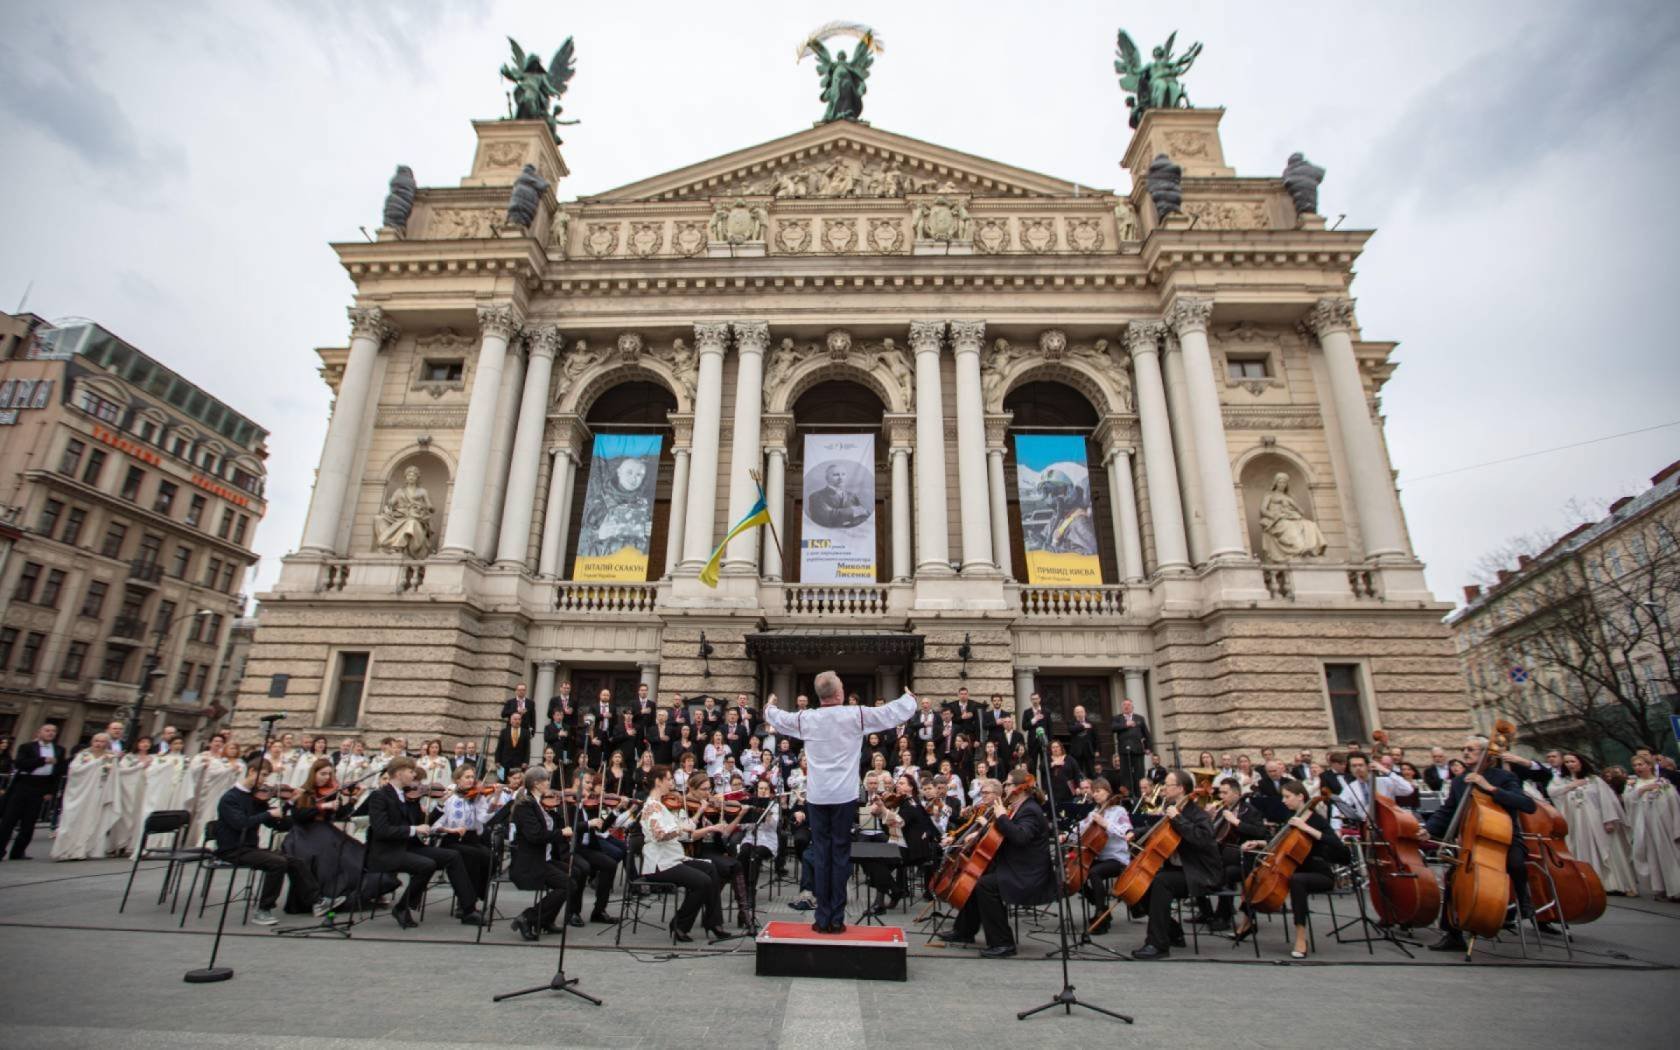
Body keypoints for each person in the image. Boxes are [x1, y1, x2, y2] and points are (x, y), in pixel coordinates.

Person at [764, 673, 916, 934]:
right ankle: (836, 918)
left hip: (817, 797)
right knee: (841, 855)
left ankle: (822, 918)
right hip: (843, 797)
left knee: (822, 855)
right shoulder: (854, 715)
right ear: (838, 694)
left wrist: (769, 705)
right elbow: (890, 714)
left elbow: (778, 718)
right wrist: (909, 699)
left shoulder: (807, 718)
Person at [1420, 736, 1538, 952]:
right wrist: (1429, 829)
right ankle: (1453, 934)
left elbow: (1527, 805)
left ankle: (1523, 898)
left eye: (1471, 749)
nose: (1465, 752)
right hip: (1472, 842)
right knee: (1453, 877)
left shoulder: (1504, 777)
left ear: (1487, 755)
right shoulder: (1459, 781)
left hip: (1505, 838)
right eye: (1463, 748)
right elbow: (1448, 810)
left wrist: (1490, 788)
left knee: (1514, 862)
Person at [942, 770, 1056, 958]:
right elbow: (1004, 833)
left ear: (1019, 788)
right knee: (976, 878)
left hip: (1027, 873)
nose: (1005, 788)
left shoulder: (1030, 810)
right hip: (1014, 865)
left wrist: (1002, 816)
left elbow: (1020, 837)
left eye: (1008, 784)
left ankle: (1003, 943)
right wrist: (982, 831)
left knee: (985, 886)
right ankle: (964, 931)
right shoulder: (1018, 807)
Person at [1232, 779, 1349, 959]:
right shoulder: (1291, 817)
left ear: (1300, 796)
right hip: (1294, 868)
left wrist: (1306, 828)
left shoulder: (1316, 820)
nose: (1283, 800)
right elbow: (1280, 842)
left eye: (1287, 797)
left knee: (1296, 881)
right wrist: (1258, 842)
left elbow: (1338, 846)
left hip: (1319, 873)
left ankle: (1301, 937)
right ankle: (1247, 922)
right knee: (1256, 875)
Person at [364, 757, 482, 929]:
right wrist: (413, 829)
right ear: (399, 773)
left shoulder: (409, 797)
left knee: (453, 856)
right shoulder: (380, 796)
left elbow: (424, 823)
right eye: (411, 771)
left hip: (409, 847)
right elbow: (382, 830)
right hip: (388, 851)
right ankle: (402, 908)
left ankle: (468, 909)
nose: (414, 775)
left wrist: (440, 805)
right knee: (427, 865)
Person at [212, 760, 326, 924]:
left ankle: (317, 901)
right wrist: (269, 814)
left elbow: (276, 824)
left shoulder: (256, 798)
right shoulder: (230, 798)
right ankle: (263, 910)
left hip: (250, 848)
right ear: (252, 771)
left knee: (295, 861)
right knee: (277, 862)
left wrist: (292, 805)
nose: (265, 781)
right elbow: (241, 824)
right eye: (263, 775)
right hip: (231, 849)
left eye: (267, 776)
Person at [1131, 770, 1222, 960]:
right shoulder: (1173, 808)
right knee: (1142, 885)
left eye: (1168, 784)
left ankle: (1157, 945)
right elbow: (1156, 827)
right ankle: (1173, 932)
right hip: (1179, 870)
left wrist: (1178, 818)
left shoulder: (1197, 813)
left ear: (1180, 788)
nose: (1164, 788)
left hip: (1199, 873)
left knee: (1161, 882)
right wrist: (1135, 833)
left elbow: (1202, 838)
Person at [638, 765, 733, 942]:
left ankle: (714, 923)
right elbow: (659, 835)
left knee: (711, 869)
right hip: (659, 864)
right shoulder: (651, 807)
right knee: (702, 882)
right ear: (658, 782)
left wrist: (704, 825)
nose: (672, 783)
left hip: (673, 859)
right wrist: (680, 827)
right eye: (669, 779)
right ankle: (679, 925)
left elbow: (683, 834)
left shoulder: (661, 805)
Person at [1546, 752, 1638, 896]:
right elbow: (1552, 792)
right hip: (1576, 823)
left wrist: (1609, 820)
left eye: (1572, 761)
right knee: (1582, 848)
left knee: (1606, 849)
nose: (1570, 765)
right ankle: (1590, 882)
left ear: (1580, 762)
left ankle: (1614, 883)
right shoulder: (1561, 781)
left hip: (1596, 820)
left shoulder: (1594, 780)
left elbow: (1606, 800)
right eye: (1567, 762)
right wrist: (1570, 786)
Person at [506, 766, 576, 940]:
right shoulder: (525, 805)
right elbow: (535, 835)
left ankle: (545, 920)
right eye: (546, 780)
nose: (548, 784)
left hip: (543, 858)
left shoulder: (537, 803)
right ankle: (527, 917)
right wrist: (561, 833)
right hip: (530, 862)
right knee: (566, 884)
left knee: (573, 877)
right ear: (537, 784)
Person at [1073, 777, 1134, 933]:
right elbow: (1079, 829)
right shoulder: (1094, 812)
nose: (1095, 794)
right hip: (1098, 857)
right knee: (1076, 872)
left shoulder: (1119, 811)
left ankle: (1101, 915)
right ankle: (1102, 906)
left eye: (1098, 791)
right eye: (1093, 792)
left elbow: (1126, 832)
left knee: (1094, 872)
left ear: (1107, 791)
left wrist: (1105, 824)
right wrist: (1067, 835)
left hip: (1117, 858)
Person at [0, 724, 67, 860]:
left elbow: (58, 772)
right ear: (39, 732)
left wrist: (50, 791)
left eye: (53, 731)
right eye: (47, 730)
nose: (50, 733)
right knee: (9, 819)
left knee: (29, 822)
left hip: (41, 786)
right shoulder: (27, 747)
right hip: (23, 784)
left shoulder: (59, 750)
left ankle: (18, 852)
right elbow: (20, 763)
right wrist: (43, 760)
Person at [50, 733, 120, 861]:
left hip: (98, 793)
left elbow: (113, 776)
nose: (99, 744)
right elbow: (74, 770)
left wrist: (109, 793)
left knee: (91, 820)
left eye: (102, 741)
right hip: (80, 793)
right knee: (72, 820)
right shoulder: (83, 755)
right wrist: (97, 762)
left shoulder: (111, 757)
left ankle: (82, 850)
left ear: (107, 744)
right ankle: (64, 850)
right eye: (96, 741)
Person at [1623, 754, 1680, 901]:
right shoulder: (1632, 784)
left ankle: (1674, 888)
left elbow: (1674, 802)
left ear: (1649, 765)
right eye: (1635, 765)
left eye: (1641, 764)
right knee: (1649, 857)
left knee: (1668, 855)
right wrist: (1642, 789)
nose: (1637, 768)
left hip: (1663, 825)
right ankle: (1659, 888)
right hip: (1643, 827)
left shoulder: (1663, 782)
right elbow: (1628, 801)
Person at [1111, 697, 1150, 792]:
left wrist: (1148, 747)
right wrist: (1125, 725)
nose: (1126, 707)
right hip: (1124, 751)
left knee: (1139, 773)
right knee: (1126, 774)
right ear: (1122, 707)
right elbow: (1113, 728)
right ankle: (1129, 795)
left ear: (1132, 707)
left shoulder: (1139, 718)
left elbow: (1146, 734)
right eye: (1124, 705)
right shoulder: (1117, 718)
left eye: (1128, 705)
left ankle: (1140, 793)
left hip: (1138, 750)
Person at [495, 713, 528, 777]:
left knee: (517, 780)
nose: (517, 721)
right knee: (503, 780)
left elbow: (527, 749)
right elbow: (499, 747)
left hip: (519, 763)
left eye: (519, 719)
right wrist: (497, 761)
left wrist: (526, 761)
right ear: (510, 721)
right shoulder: (504, 732)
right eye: (515, 719)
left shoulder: (525, 732)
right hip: (504, 762)